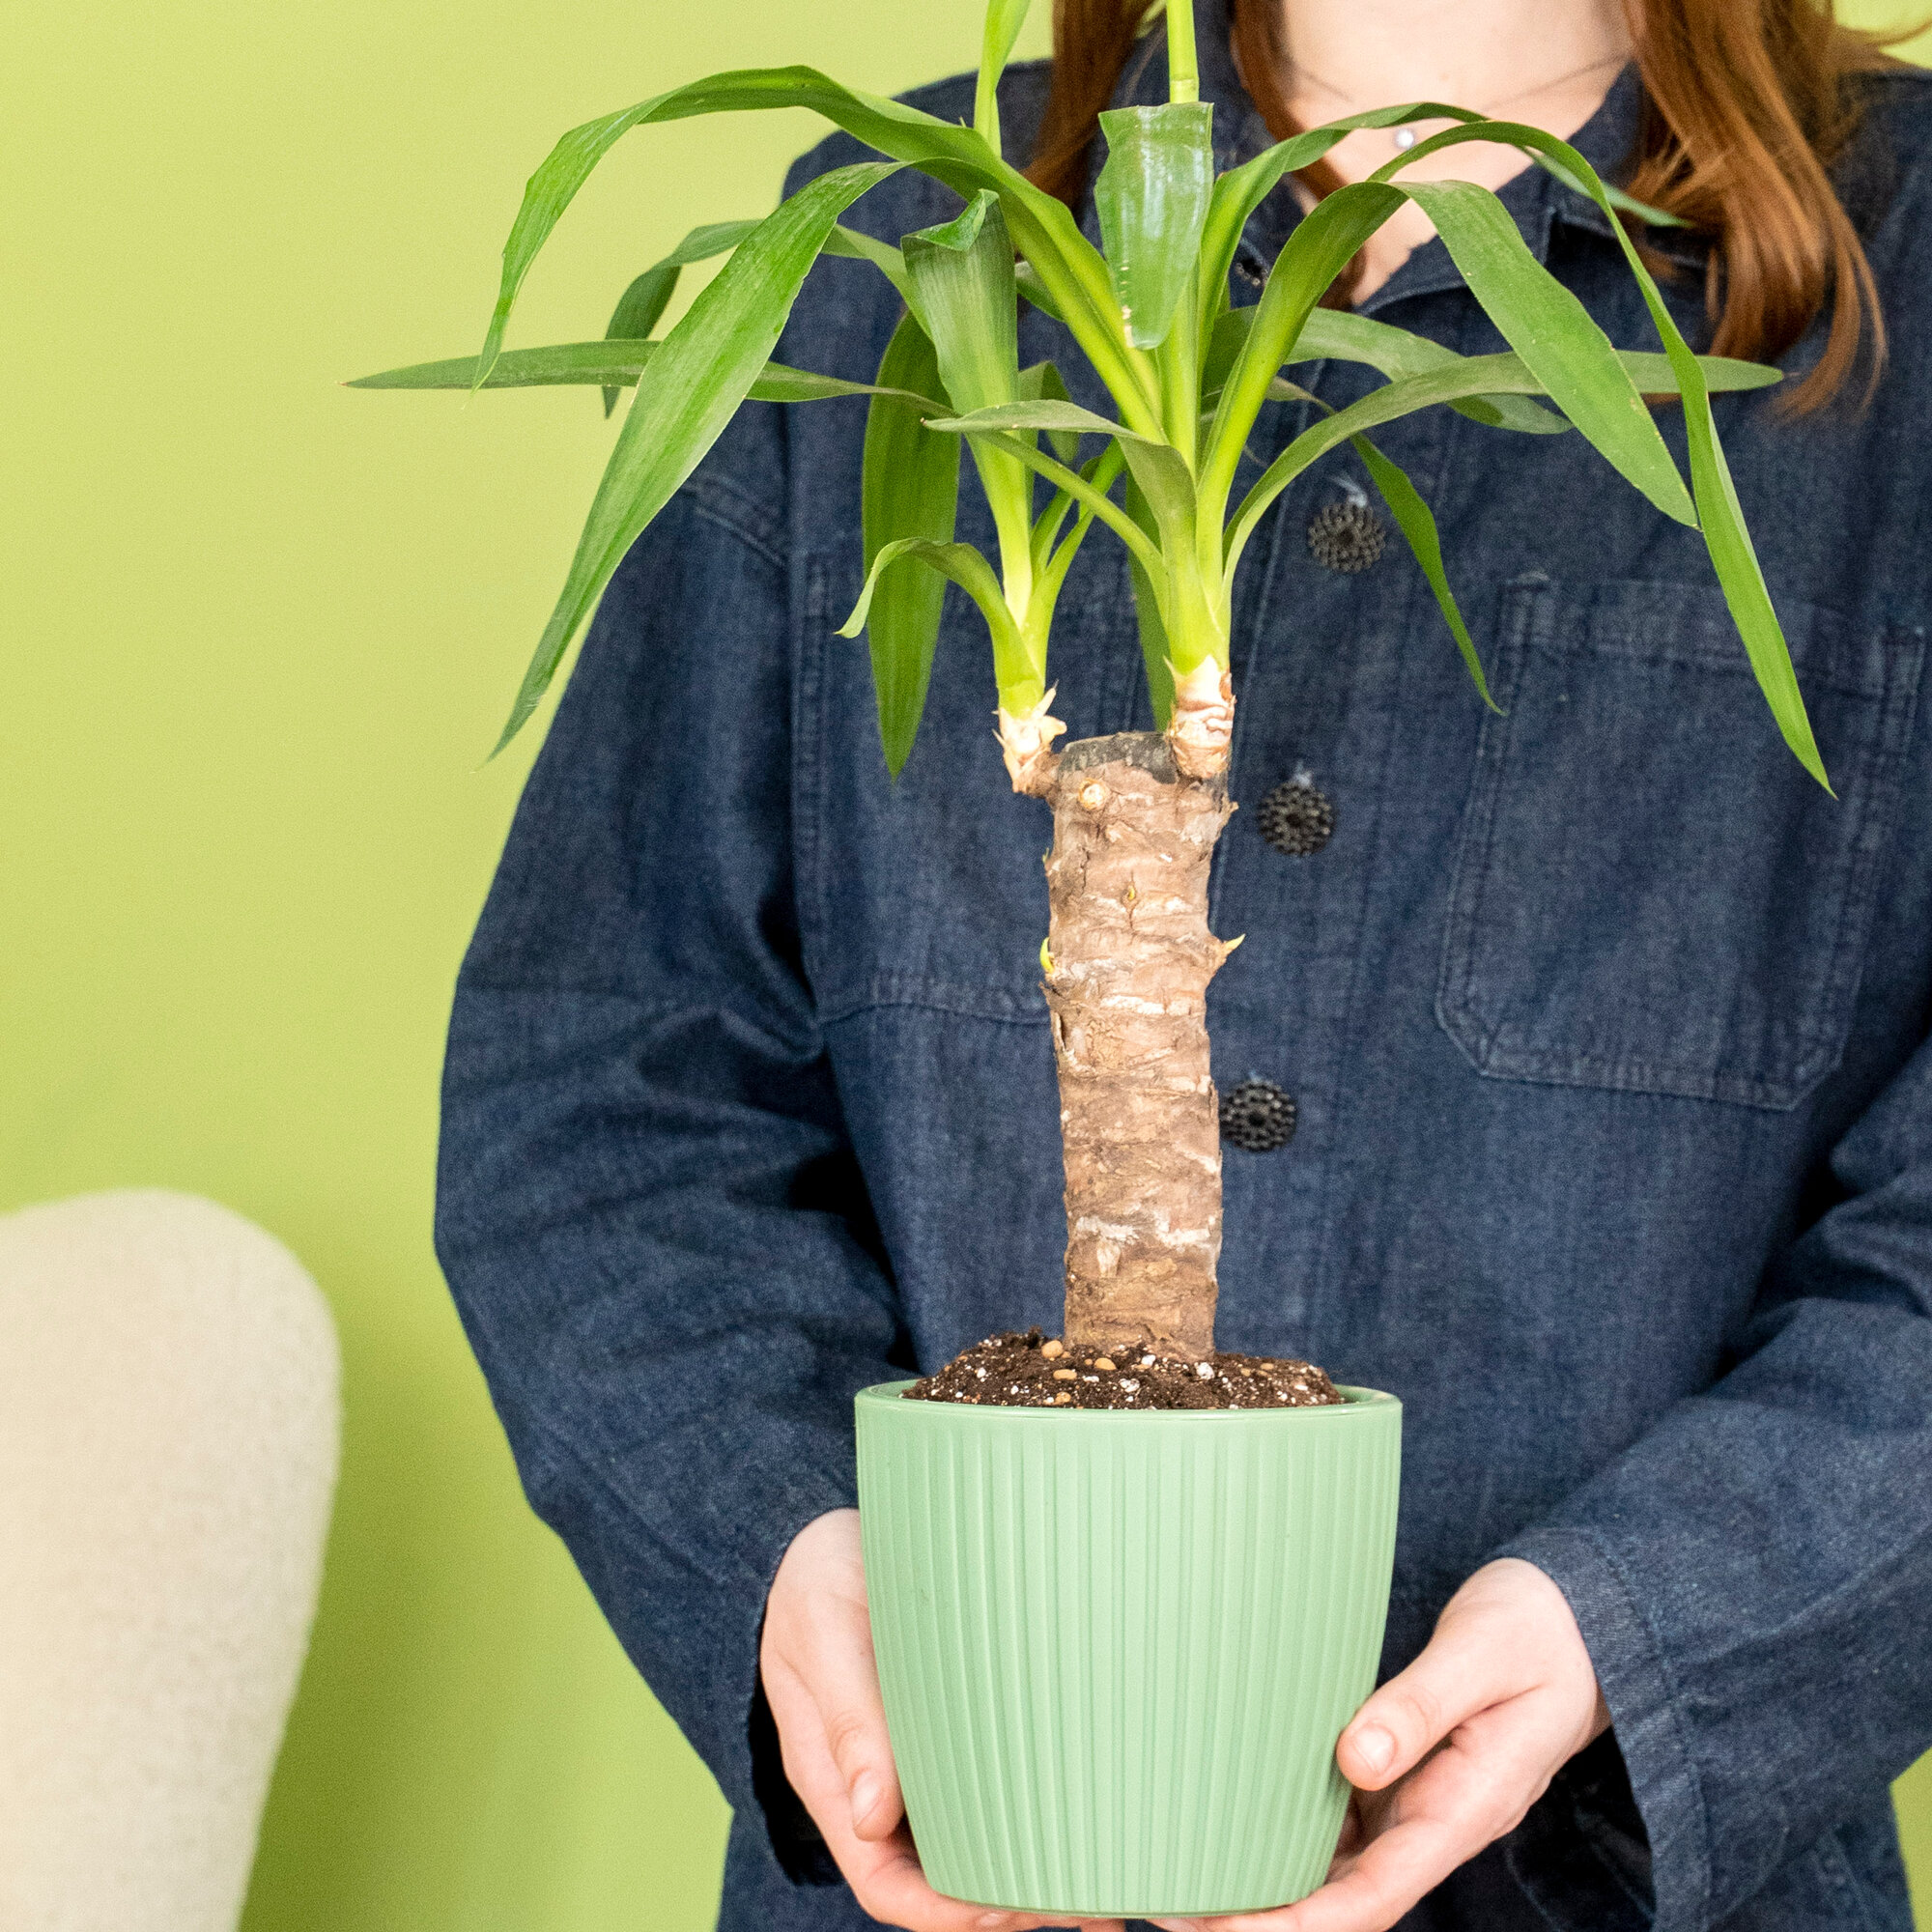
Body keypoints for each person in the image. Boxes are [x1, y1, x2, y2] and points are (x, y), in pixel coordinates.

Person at [432, 0, 1932, 1925]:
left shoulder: (1904, 277)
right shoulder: (903, 252)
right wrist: (787, 1548)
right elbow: (601, 1080)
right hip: (960, 1837)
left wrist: (1646, 1625)